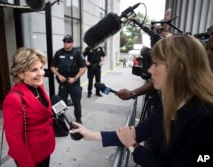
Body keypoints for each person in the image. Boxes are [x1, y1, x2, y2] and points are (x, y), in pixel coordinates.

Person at [70, 35, 213, 166]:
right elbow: (137, 132)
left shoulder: (206, 119)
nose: (150, 70)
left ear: (179, 69)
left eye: (156, 64)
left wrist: (133, 146)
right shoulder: (172, 103)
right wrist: (89, 134)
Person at [3, 47, 55, 167]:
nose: (41, 73)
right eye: (34, 70)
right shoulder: (14, 99)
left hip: (45, 148)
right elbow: (14, 141)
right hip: (31, 156)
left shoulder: (37, 86)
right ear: (20, 73)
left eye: (41, 68)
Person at [50, 35, 86, 123]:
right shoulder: (59, 53)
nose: (66, 43)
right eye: (65, 41)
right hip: (63, 83)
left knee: (76, 102)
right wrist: (59, 75)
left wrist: (75, 78)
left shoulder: (77, 53)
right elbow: (52, 67)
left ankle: (78, 118)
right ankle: (61, 118)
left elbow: (84, 68)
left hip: (74, 83)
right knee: (61, 103)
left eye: (68, 42)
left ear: (72, 43)